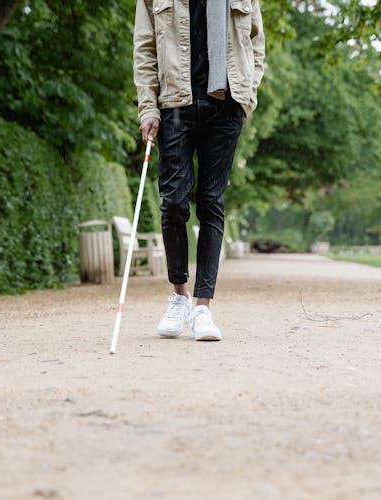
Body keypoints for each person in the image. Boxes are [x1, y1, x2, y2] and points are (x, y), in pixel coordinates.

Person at [133, 0, 265, 341]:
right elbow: (144, 48)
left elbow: (255, 41)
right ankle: (179, 296)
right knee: (174, 203)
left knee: (211, 202)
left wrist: (247, 97)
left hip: (225, 105)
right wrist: (148, 106)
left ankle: (203, 306)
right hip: (175, 103)